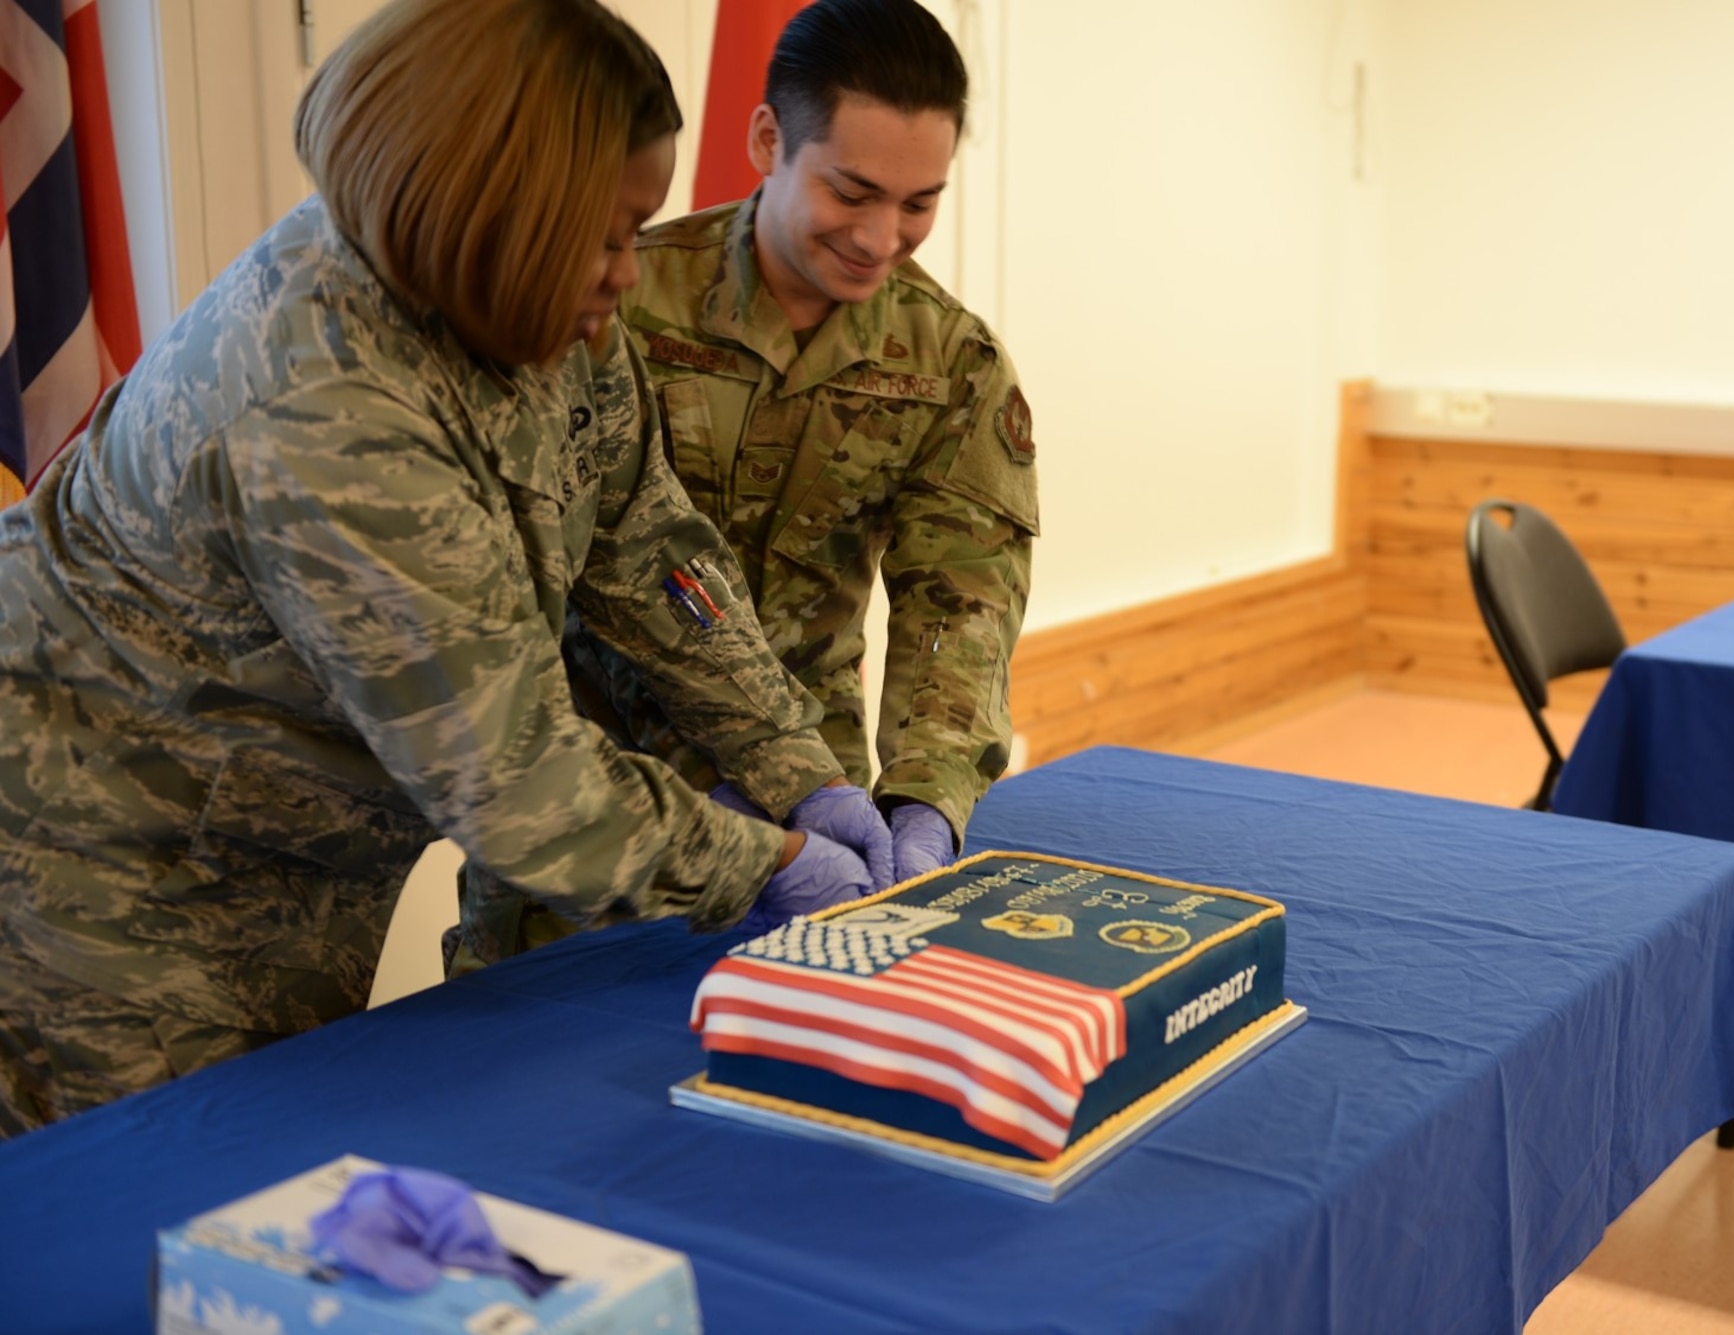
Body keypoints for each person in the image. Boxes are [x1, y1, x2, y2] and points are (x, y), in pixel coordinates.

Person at [0, 0, 881, 1138]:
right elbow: (523, 791)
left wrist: (796, 765)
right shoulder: (326, 404)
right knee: (161, 1220)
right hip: (114, 863)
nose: (628, 273)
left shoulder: (530, 295)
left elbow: (647, 548)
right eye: (608, 233)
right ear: (493, 209)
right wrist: (766, 861)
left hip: (293, 848)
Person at [453, 0, 1036, 971]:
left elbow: (960, 606)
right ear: (769, 139)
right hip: (594, 792)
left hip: (812, 791)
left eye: (918, 202)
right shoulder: (615, 297)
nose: (882, 236)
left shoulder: (951, 361)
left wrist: (923, 799)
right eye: (851, 191)